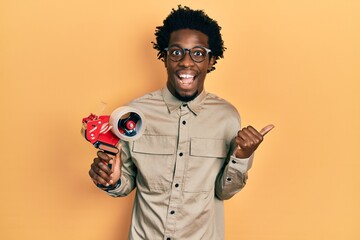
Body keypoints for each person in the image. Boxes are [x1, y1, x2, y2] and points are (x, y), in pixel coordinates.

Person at [89, 5, 274, 239]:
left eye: (198, 53)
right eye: (177, 52)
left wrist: (243, 157)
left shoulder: (227, 117)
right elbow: (125, 181)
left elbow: (223, 192)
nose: (186, 62)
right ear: (165, 57)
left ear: (211, 60)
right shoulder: (135, 113)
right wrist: (112, 181)